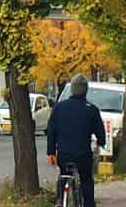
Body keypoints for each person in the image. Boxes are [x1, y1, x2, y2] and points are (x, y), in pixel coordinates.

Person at [47, 74, 106, 207]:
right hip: (83, 155)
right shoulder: (92, 110)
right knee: (86, 180)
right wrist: (101, 143)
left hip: (63, 154)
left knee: (63, 174)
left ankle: (60, 200)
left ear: (72, 89)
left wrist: (51, 152)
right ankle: (89, 204)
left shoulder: (59, 107)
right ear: (86, 90)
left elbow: (51, 131)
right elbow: (100, 134)